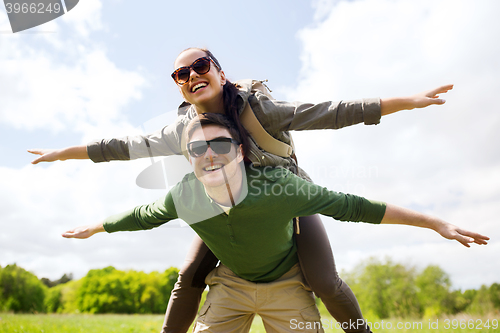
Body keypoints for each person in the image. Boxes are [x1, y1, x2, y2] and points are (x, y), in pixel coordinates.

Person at [28, 47, 454, 333]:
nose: (193, 75)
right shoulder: (181, 130)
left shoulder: (260, 111)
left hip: (283, 198)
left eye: (201, 66)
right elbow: (123, 147)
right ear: (178, 85)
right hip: (222, 202)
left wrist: (405, 101)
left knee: (323, 280)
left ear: (219, 72)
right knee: (190, 275)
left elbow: (331, 113)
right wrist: (64, 152)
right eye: (182, 73)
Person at [63, 113, 488, 333]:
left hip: (287, 285)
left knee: (330, 284)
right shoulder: (185, 195)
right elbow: (141, 216)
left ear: (241, 153)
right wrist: (95, 228)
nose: (210, 154)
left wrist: (434, 222)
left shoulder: (280, 188)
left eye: (221, 145)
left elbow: (355, 205)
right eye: (198, 149)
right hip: (230, 286)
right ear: (188, 158)